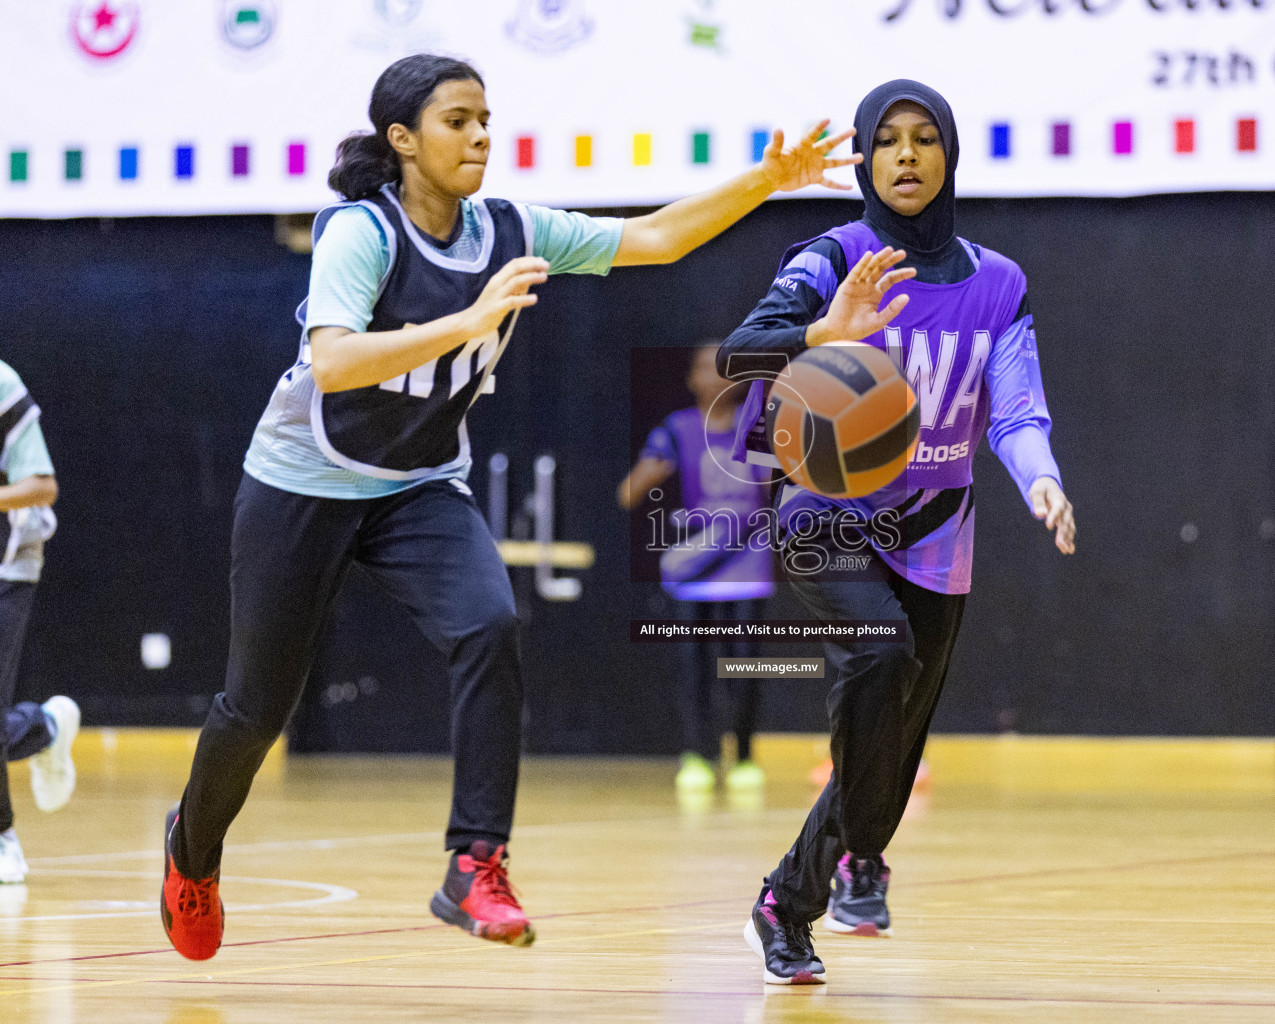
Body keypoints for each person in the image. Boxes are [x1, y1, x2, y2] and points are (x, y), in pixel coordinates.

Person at [158, 53, 860, 961]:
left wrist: (770, 179)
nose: (481, 135)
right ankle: (192, 848)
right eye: (458, 120)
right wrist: (467, 320)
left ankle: (474, 864)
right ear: (402, 140)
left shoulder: (510, 229)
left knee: (490, 624)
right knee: (256, 709)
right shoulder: (358, 234)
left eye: (486, 118)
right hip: (304, 480)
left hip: (417, 485)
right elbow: (333, 361)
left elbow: (655, 239)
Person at [718, 80, 1076, 984]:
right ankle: (807, 893)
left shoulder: (1000, 284)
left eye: (925, 139)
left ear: (950, 156)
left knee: (885, 753)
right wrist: (818, 332)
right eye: (888, 141)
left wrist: (1042, 481)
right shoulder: (834, 254)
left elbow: (1018, 410)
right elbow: (739, 353)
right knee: (878, 662)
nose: (907, 155)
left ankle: (828, 873)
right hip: (823, 513)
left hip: (936, 533)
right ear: (867, 161)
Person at [618, 343, 775, 795]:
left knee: (746, 666)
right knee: (694, 666)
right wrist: (649, 473)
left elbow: (777, 487)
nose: (714, 376)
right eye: (704, 367)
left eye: (724, 367)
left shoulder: (758, 427)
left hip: (748, 562)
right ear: (691, 380)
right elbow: (629, 492)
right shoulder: (678, 430)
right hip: (696, 565)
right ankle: (697, 754)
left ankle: (744, 756)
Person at [0, 359, 80, 885]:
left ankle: (2, 835)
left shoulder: (2, 384)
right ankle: (43, 728)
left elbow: (42, 484)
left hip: (8, 564)